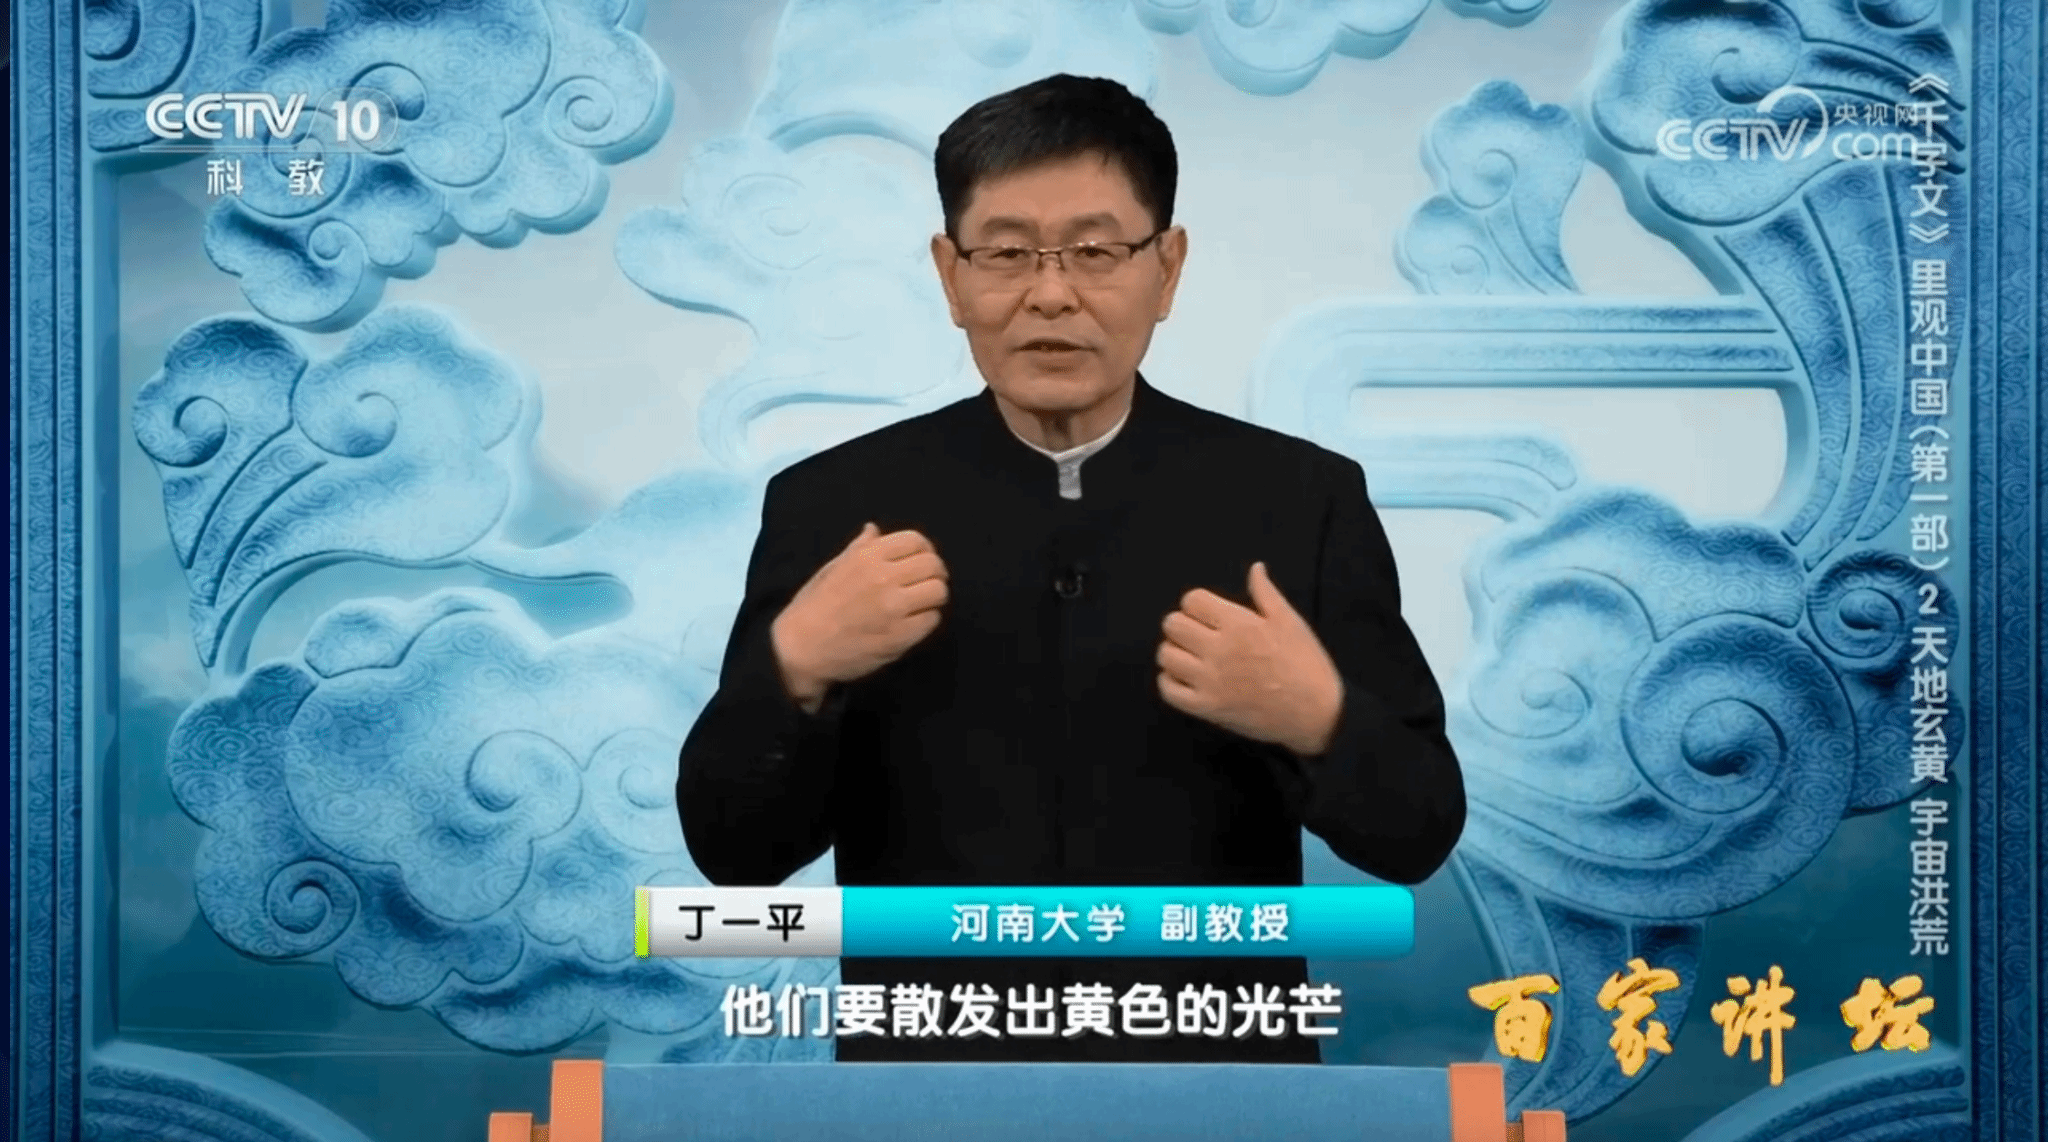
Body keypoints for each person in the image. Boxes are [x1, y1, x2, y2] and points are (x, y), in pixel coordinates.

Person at [676, 73, 1465, 1063]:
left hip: (1220, 1092)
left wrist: (1319, 717)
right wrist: (792, 665)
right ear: (950, 274)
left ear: (1166, 268)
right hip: (928, 1092)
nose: (1050, 294)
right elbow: (734, 856)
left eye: (1096, 251)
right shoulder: (831, 507)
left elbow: (1417, 833)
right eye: (1005, 253)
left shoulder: (1299, 501)